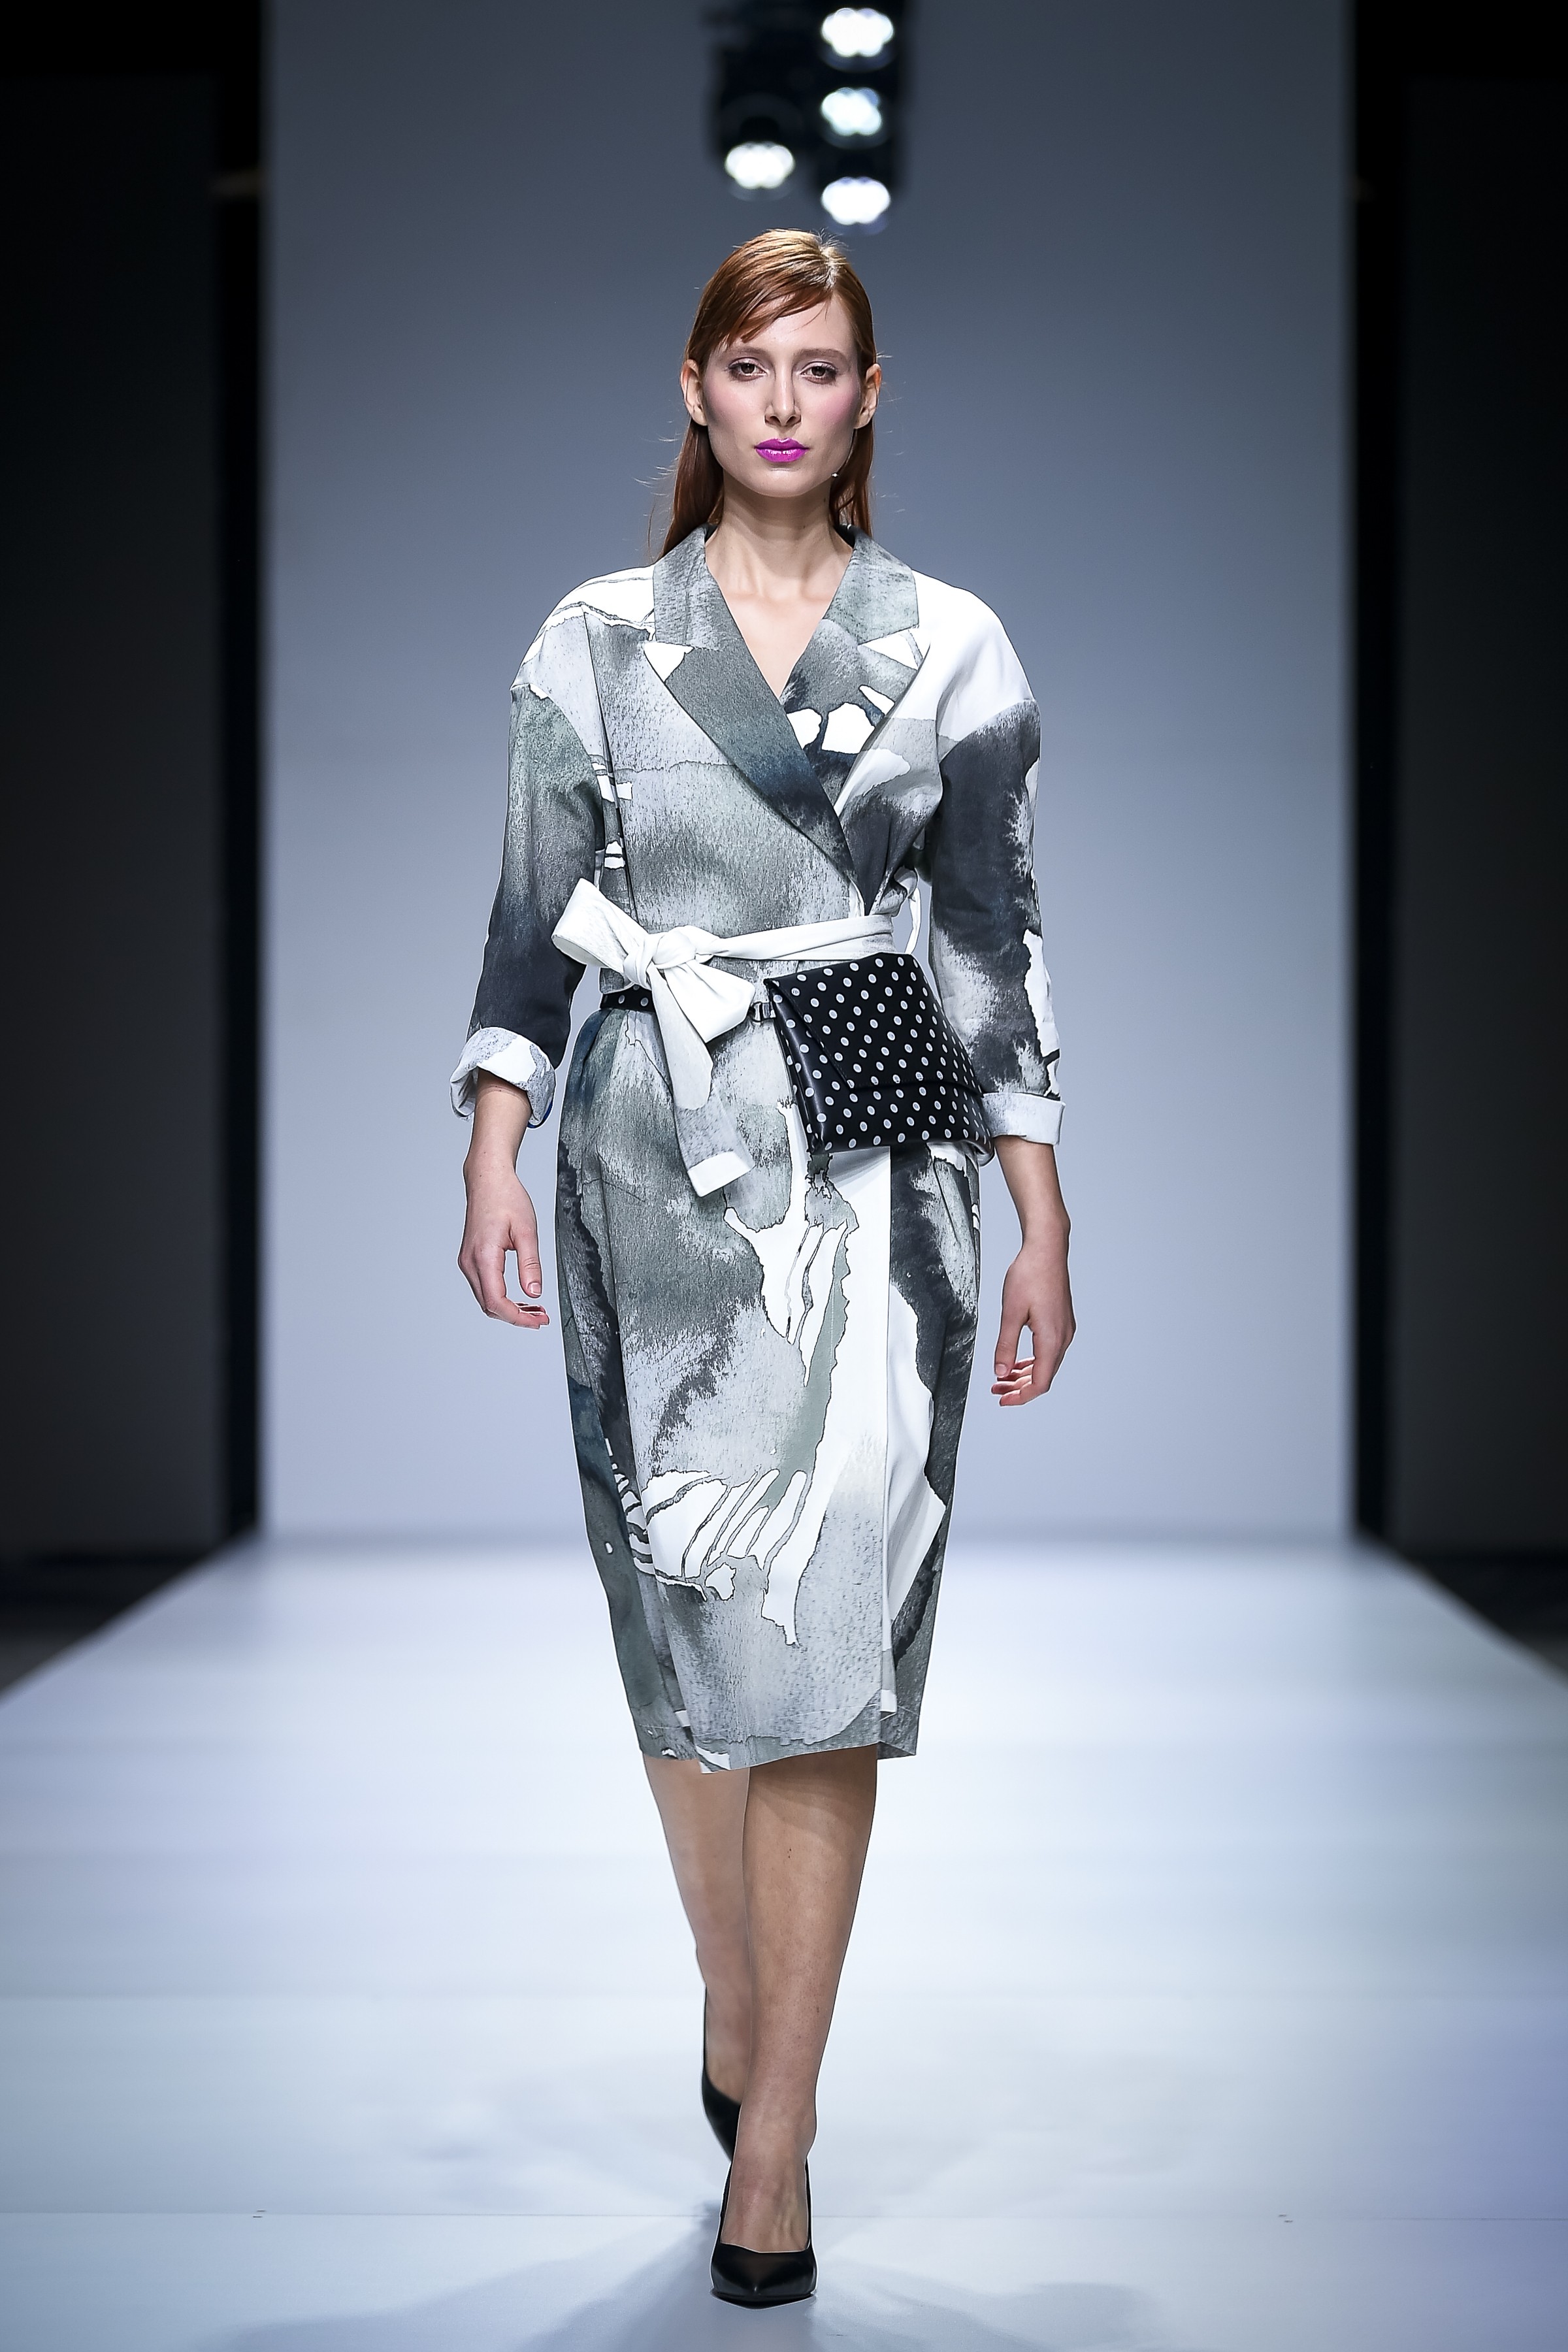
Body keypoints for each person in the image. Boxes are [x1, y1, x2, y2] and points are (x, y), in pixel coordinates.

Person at [454, 229, 1073, 2308]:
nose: (785, 400)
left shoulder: (952, 644)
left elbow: (990, 940)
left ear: (868, 396)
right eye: (751, 365)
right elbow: (530, 918)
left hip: (878, 1158)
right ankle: (732, 1988)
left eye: (821, 366)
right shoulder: (596, 638)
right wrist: (492, 1145)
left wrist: (1044, 1204)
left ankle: (779, 2135)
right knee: (683, 1617)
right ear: (698, 390)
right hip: (652, 1144)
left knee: (829, 1635)